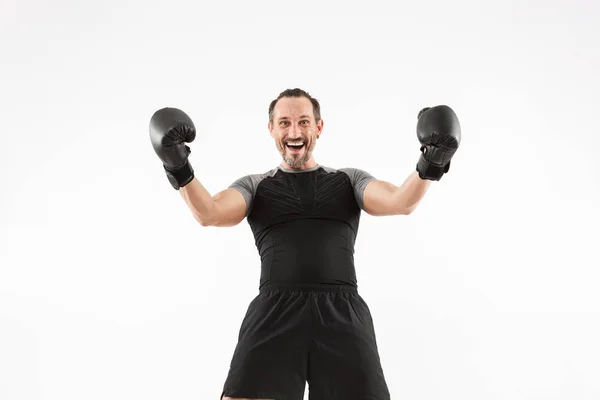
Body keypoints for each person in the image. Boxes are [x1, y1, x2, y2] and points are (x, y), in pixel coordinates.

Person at [149, 88, 461, 400]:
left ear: (319, 127)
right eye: (284, 123)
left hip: (342, 313)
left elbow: (400, 202)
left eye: (303, 122)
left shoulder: (349, 180)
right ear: (271, 129)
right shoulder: (255, 186)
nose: (294, 132)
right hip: (275, 311)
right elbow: (210, 213)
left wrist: (432, 159)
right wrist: (177, 163)